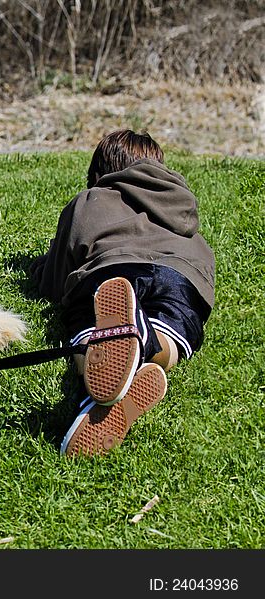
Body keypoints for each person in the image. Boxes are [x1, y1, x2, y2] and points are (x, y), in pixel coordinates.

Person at [29, 129, 215, 456]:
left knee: (89, 330)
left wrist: (38, 270)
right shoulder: (180, 204)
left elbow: (55, 283)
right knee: (173, 335)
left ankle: (108, 351)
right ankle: (152, 343)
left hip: (111, 273)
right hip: (181, 278)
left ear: (99, 173)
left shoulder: (90, 200)